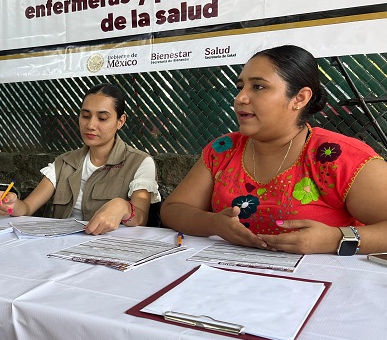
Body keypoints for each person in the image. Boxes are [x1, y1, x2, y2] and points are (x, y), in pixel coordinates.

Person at [161, 44, 387, 254]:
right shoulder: (223, 149)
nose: (240, 98)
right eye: (240, 87)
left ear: (299, 98)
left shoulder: (338, 157)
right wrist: (212, 223)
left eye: (258, 87)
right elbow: (173, 209)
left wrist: (337, 239)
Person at [0, 83, 160, 235]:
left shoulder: (139, 162)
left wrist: (122, 206)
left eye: (102, 118)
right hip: (58, 247)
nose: (90, 125)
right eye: (85, 116)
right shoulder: (64, 162)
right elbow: (27, 207)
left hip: (110, 250)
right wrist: (11, 204)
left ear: (120, 121)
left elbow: (140, 217)